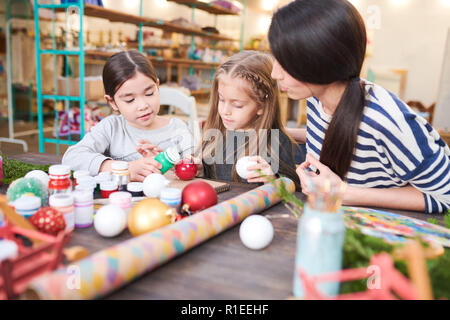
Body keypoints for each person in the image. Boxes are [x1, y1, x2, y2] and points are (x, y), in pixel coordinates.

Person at [268, 0, 450, 213]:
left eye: (284, 62)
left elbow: (446, 195)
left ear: (320, 62)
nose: (274, 73)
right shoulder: (317, 98)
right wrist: (282, 133)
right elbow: (341, 134)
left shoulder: (386, 121)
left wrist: (343, 193)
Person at [62, 50, 194, 181]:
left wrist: (169, 166)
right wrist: (124, 168)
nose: (143, 105)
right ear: (112, 102)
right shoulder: (111, 127)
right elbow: (71, 157)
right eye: (130, 100)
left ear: (157, 86)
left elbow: (197, 169)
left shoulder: (178, 128)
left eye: (149, 93)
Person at [193, 50, 301, 189]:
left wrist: (272, 180)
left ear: (261, 105)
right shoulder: (215, 135)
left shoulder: (276, 142)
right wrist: (201, 171)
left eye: (237, 105)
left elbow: (294, 191)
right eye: (221, 99)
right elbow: (211, 176)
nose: (225, 111)